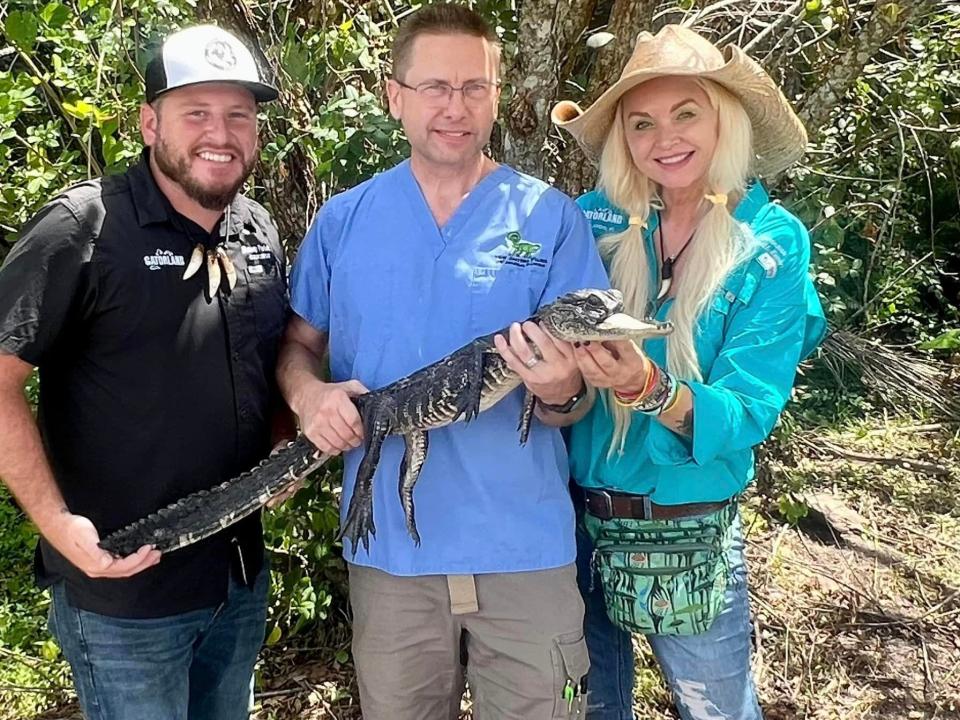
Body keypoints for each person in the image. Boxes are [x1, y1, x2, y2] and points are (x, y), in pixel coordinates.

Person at [277, 4, 609, 718]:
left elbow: (581, 391)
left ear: (497, 94)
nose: (454, 108)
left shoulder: (549, 218)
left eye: (474, 87)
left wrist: (561, 387)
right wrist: (308, 396)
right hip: (392, 564)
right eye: (434, 86)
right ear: (394, 96)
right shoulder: (345, 220)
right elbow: (299, 346)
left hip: (525, 553)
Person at [0, 25, 290, 720]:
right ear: (150, 121)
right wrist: (56, 522)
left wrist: (285, 440)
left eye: (238, 115)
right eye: (197, 113)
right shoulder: (84, 227)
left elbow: (275, 361)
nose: (219, 133)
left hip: (238, 584)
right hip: (126, 594)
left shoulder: (257, 229)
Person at [551, 25, 827, 720]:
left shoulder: (770, 243)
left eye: (685, 114)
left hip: (689, 531)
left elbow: (749, 410)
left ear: (723, 119)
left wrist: (647, 387)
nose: (663, 138)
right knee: (588, 710)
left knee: (717, 711)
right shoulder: (595, 218)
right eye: (640, 122)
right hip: (576, 524)